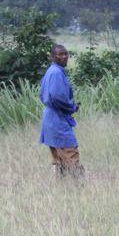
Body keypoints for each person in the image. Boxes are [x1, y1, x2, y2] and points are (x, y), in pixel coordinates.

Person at [39, 44, 83, 177]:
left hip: (50, 119)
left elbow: (42, 94)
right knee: (71, 156)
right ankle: (80, 188)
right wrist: (71, 107)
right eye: (60, 54)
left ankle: (62, 190)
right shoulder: (57, 72)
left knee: (59, 161)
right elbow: (57, 97)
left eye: (66, 54)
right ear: (52, 57)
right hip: (57, 120)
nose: (64, 57)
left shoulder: (51, 71)